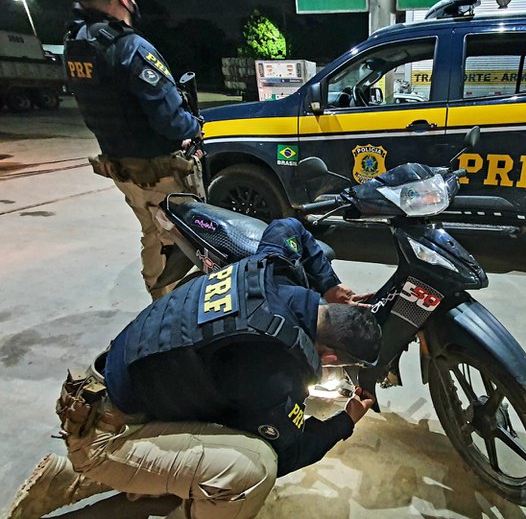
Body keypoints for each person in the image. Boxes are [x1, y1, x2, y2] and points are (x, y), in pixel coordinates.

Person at [8, 217, 381, 519]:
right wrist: (345, 420)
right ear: (331, 358)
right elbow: (291, 450)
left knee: (226, 426)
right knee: (253, 468)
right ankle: (105, 471)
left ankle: (63, 481)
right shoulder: (274, 370)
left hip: (96, 389)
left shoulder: (273, 268)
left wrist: (330, 284)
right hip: (102, 433)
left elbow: (288, 225)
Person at [63, 0, 205, 299]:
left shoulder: (77, 46)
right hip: (159, 173)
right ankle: (177, 313)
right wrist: (193, 127)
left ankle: (159, 303)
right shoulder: (131, 49)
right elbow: (172, 121)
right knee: (185, 240)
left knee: (153, 234)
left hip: (123, 171)